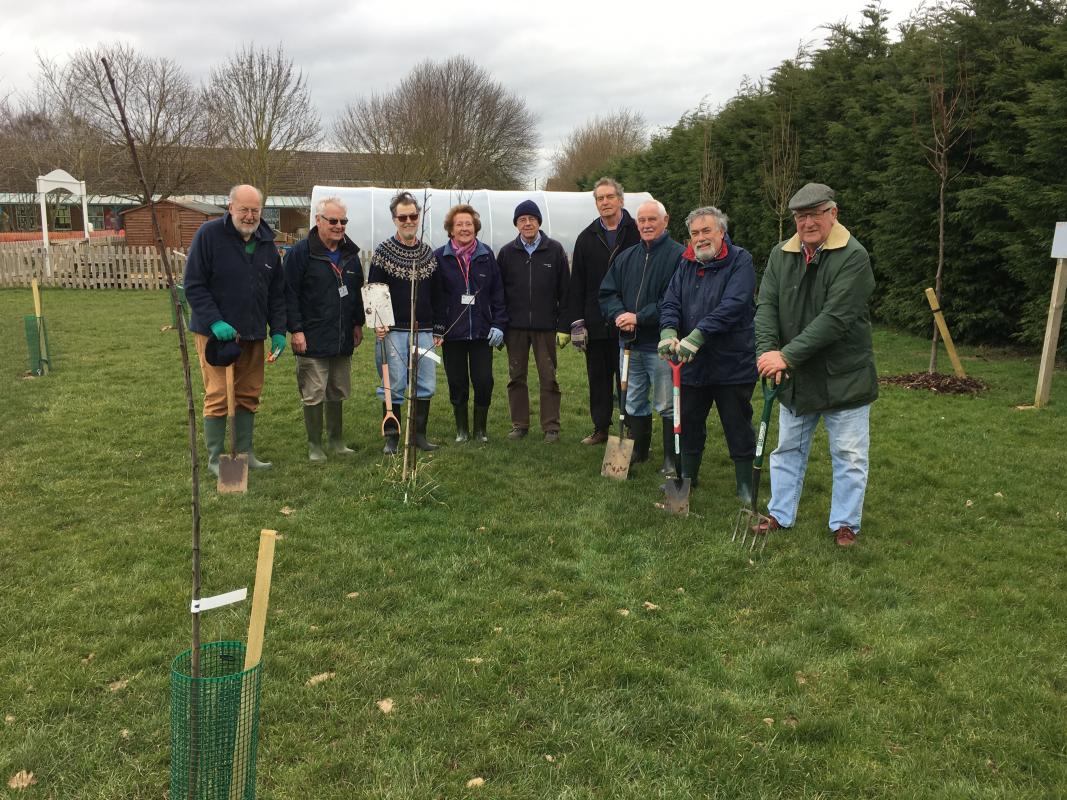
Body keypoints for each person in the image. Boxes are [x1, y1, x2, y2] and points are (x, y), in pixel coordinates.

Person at [755, 183, 877, 548]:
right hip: (796, 377)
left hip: (844, 376)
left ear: (832, 214)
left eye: (815, 214)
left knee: (849, 455)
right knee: (787, 448)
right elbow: (767, 307)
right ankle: (780, 514)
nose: (807, 223)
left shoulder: (854, 256)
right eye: (800, 216)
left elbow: (835, 319)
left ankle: (845, 523)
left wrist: (786, 355)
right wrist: (768, 352)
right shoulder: (782, 254)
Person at [184, 184, 286, 477]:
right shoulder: (210, 236)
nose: (250, 216)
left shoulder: (267, 242)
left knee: (248, 393)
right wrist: (215, 321)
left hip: (253, 332)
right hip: (215, 335)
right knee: (218, 394)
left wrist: (278, 330)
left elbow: (277, 293)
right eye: (244, 209)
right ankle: (218, 459)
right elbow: (194, 284)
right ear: (230, 208)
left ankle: (244, 453)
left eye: (255, 210)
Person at [659, 206, 757, 495]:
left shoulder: (741, 260)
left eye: (706, 231)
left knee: (737, 423)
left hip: (732, 362)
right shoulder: (686, 264)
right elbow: (670, 302)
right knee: (688, 422)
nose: (700, 238)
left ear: (721, 233)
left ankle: (744, 486)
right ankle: (687, 479)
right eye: (694, 233)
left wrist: (698, 334)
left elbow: (734, 305)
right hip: (691, 364)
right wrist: (667, 332)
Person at [598, 199, 683, 468]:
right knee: (632, 401)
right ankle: (638, 452)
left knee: (666, 403)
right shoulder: (626, 257)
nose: (646, 225)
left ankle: (671, 459)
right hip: (628, 346)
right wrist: (619, 315)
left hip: (660, 346)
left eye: (652, 220)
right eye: (642, 220)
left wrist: (640, 317)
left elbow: (675, 299)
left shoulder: (679, 256)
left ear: (665, 221)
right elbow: (607, 292)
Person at [283, 196, 365, 463]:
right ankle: (315, 445)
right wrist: (296, 330)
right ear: (318, 221)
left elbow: (356, 294)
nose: (339, 226)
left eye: (343, 221)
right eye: (333, 221)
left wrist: (356, 324)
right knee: (314, 391)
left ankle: (337, 441)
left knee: (338, 389)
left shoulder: (351, 255)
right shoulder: (301, 253)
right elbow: (289, 294)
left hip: (342, 337)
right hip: (312, 337)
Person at [567, 177, 641, 446]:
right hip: (596, 321)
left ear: (620, 200)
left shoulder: (636, 231)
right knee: (598, 379)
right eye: (600, 198)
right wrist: (576, 322)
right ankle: (600, 428)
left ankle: (631, 428)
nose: (605, 202)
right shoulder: (586, 238)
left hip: (628, 321)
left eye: (610, 197)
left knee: (629, 379)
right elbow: (577, 284)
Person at [367, 191, 439, 454]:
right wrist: (378, 323)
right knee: (393, 383)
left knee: (425, 382)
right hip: (392, 332)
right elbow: (374, 289)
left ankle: (419, 434)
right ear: (394, 219)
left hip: (424, 331)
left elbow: (438, 294)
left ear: (418, 217)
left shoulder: (428, 254)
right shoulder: (383, 252)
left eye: (413, 216)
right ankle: (392, 436)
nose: (409, 221)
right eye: (403, 217)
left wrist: (438, 327)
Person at [432, 204, 507, 443]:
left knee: (484, 380)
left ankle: (480, 430)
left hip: (482, 331)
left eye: (469, 224)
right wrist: (438, 327)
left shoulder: (486, 255)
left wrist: (499, 324)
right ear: (450, 230)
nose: (465, 228)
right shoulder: (439, 257)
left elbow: (498, 294)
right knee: (457, 381)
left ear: (475, 227)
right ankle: (462, 429)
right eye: (459, 224)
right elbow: (435, 296)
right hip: (452, 333)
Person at [496, 199, 570, 443]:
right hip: (514, 327)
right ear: (516, 225)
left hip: (546, 327)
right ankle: (520, 424)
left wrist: (563, 325)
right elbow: (499, 292)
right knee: (516, 377)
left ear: (539, 222)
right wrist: (501, 323)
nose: (527, 223)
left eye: (532, 219)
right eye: (522, 220)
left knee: (548, 376)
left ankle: (551, 427)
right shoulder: (507, 253)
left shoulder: (555, 250)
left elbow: (565, 291)